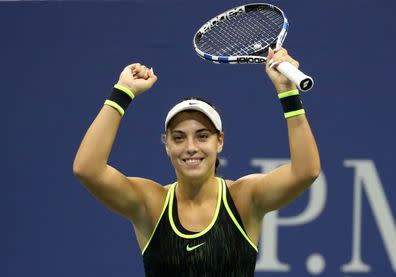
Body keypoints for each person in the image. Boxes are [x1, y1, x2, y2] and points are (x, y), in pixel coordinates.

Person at [73, 48, 320, 276]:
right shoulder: (152, 204)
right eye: (179, 138)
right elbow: (87, 169)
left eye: (202, 136)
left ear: (219, 141)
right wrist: (122, 93)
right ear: (167, 144)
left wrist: (288, 92)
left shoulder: (244, 198)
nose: (191, 147)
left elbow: (306, 171)